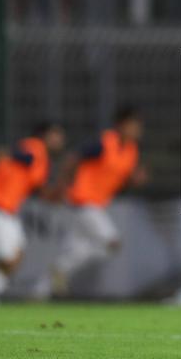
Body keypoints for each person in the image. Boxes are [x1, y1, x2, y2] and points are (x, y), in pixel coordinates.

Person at [50, 107, 147, 295]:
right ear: (121, 125)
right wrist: (62, 184)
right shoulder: (103, 143)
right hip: (83, 200)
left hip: (97, 204)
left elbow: (123, 180)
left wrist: (135, 180)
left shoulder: (131, 151)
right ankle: (61, 267)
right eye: (133, 126)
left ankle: (41, 290)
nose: (137, 130)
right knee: (111, 243)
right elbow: (73, 158)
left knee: (79, 246)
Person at [0, 122, 65, 306]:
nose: (60, 139)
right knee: (8, 257)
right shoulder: (33, 150)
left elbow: (40, 191)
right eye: (56, 134)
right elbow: (1, 154)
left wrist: (57, 195)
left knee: (16, 257)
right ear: (44, 135)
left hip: (8, 210)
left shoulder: (41, 160)